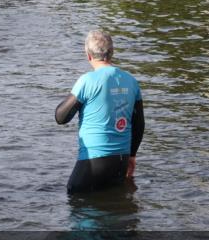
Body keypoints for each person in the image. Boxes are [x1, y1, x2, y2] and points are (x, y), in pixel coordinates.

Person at [55, 30, 143, 193]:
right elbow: (139, 123)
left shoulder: (87, 81)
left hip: (93, 162)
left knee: (76, 202)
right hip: (121, 161)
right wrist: (132, 155)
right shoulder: (131, 81)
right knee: (114, 210)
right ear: (112, 53)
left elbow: (61, 117)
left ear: (88, 55)